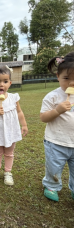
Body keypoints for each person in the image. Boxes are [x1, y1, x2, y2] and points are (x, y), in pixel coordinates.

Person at [0, 65, 28, 186]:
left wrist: (24, 125)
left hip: (11, 131)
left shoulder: (13, 98)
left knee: (9, 153)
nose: (1, 85)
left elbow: (19, 112)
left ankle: (8, 172)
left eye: (5, 81)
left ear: (10, 83)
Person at [40, 52, 74, 202]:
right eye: (66, 78)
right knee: (54, 168)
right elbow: (43, 117)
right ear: (58, 76)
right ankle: (52, 186)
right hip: (56, 142)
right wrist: (57, 110)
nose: (71, 83)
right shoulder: (52, 96)